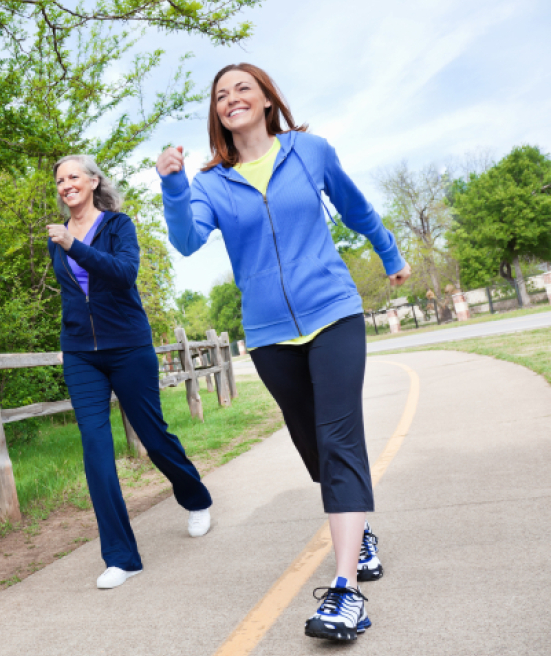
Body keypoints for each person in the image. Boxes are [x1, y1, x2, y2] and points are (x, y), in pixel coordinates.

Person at [156, 63, 410, 641]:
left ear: (268, 98)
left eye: (243, 88)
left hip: (333, 312)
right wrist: (173, 185)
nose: (232, 98)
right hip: (270, 333)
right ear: (216, 114)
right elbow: (188, 241)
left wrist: (390, 254)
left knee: (340, 436)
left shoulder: (309, 150)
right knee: (311, 442)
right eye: (221, 95)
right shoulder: (212, 184)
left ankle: (346, 591)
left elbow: (356, 207)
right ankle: (360, 528)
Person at [46, 154, 213, 590]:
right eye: (60, 180)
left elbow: (124, 275)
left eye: (73, 176)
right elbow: (70, 296)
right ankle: (121, 556)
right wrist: (68, 343)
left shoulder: (119, 226)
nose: (66, 185)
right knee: (96, 450)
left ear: (93, 180)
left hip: (128, 347)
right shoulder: (57, 237)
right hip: (82, 354)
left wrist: (72, 245)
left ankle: (195, 498)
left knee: (153, 436)